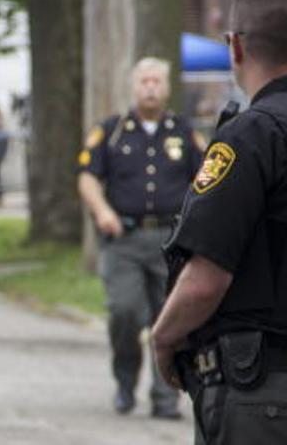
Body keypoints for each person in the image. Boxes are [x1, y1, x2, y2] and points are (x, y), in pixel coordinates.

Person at [152, 0, 287, 444]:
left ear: (236, 48)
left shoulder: (252, 137)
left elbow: (207, 278)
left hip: (264, 392)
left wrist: (164, 337)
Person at [77, 57, 206, 419]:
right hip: (125, 240)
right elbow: (87, 176)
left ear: (166, 88)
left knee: (168, 318)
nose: (150, 87)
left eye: (157, 81)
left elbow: (207, 179)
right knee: (124, 312)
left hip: (170, 240)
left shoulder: (182, 131)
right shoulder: (113, 130)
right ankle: (124, 381)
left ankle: (165, 397)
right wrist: (102, 212)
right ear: (133, 87)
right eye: (144, 81)